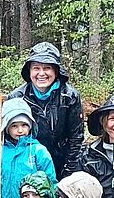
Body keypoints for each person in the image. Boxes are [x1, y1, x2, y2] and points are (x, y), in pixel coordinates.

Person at [7, 42, 84, 178]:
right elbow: (9, 138)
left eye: (47, 68)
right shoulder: (17, 97)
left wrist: (68, 173)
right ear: (29, 71)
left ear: (56, 70)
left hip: (61, 163)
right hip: (27, 165)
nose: (41, 73)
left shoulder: (70, 97)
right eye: (36, 68)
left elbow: (75, 138)